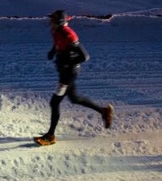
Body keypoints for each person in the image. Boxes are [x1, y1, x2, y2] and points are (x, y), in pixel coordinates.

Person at [34, 10, 113, 146]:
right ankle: (103, 111)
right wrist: (53, 52)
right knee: (75, 99)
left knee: (54, 103)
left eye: (52, 20)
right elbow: (57, 42)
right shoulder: (56, 31)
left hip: (68, 74)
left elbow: (84, 56)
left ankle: (50, 136)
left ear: (58, 22)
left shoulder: (69, 35)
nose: (50, 22)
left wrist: (67, 63)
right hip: (65, 72)